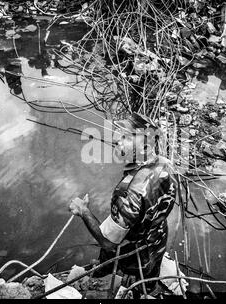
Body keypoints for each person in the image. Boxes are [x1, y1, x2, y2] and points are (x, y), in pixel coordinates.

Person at [69, 113, 177, 293]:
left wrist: (83, 210)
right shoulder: (166, 165)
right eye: (120, 134)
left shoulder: (128, 192)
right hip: (157, 241)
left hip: (135, 256)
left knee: (133, 284)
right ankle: (149, 287)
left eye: (126, 137)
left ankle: (135, 289)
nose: (118, 140)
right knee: (149, 279)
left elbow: (108, 243)